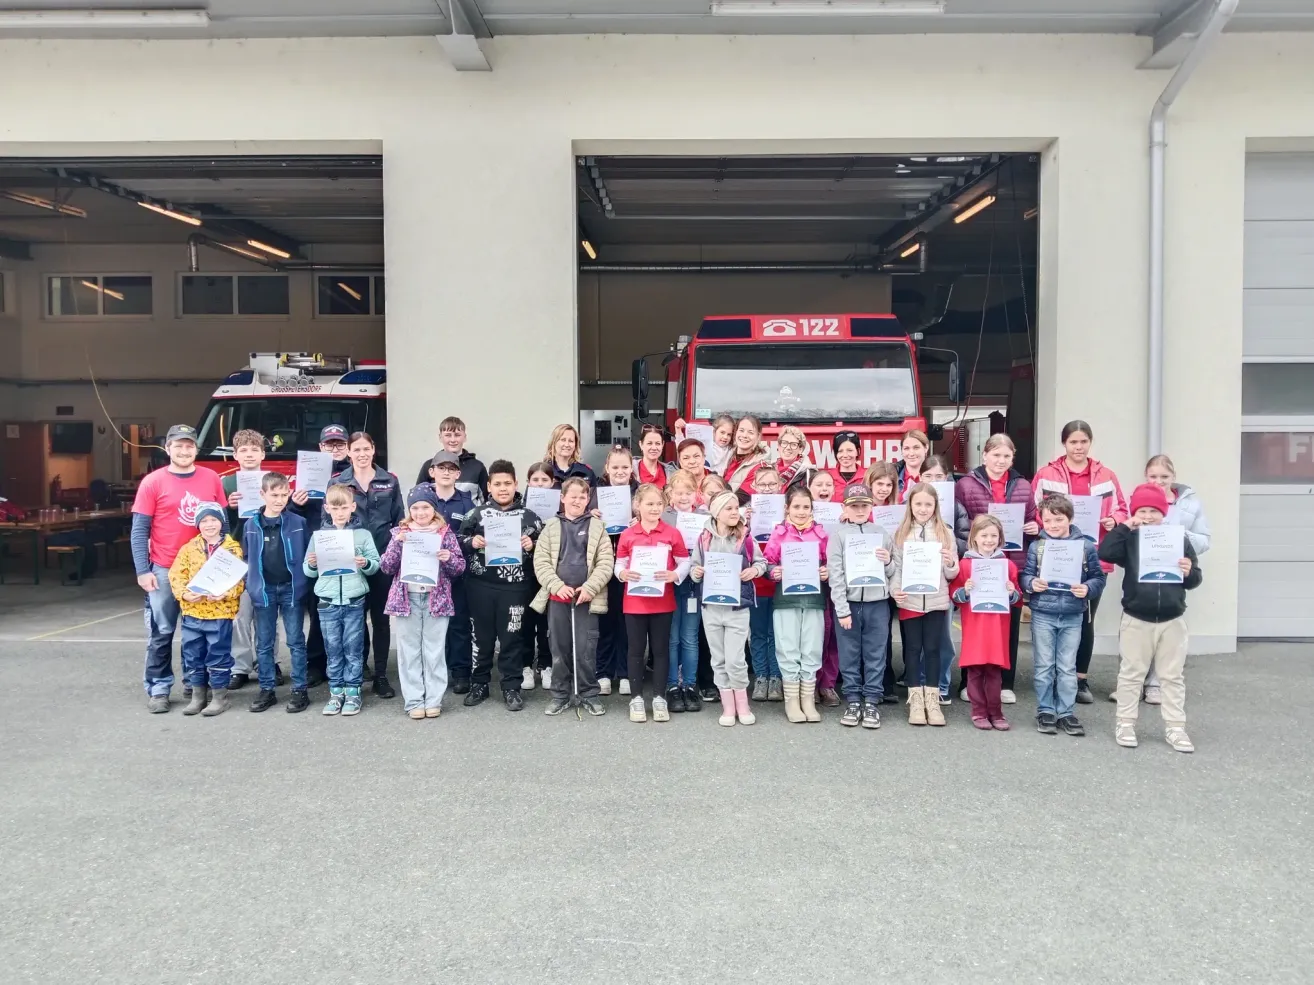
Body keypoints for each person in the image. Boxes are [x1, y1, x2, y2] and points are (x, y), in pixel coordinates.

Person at [1099, 483, 1202, 753]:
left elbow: (1194, 581)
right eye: (1142, 510)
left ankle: (1175, 728)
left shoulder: (1178, 539)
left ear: (1163, 513)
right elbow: (1105, 552)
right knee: (1131, 674)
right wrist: (1126, 526)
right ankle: (1125, 723)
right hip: (1136, 616)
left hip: (1172, 618)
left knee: (1172, 676)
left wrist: (1189, 571)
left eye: (1153, 511)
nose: (1147, 516)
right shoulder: (1131, 540)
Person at [132, 423, 227, 713]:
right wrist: (142, 570)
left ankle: (193, 682)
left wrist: (222, 563)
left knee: (197, 630)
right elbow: (139, 530)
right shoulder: (153, 482)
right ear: (168, 448)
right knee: (162, 631)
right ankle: (159, 687)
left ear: (196, 449)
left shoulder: (211, 478)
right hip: (163, 566)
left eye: (189, 445)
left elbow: (224, 523)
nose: (184, 450)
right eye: (178, 445)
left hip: (203, 568)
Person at [1032, 420, 1129, 703]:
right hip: (1055, 554)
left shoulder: (1106, 475)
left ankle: (1080, 679)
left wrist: (1114, 520)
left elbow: (1123, 508)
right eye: (1073, 442)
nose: (1078, 447)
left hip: (1092, 555)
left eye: (1083, 442)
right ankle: (1050, 677)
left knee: (1085, 618)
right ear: (1064, 444)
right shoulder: (1046, 474)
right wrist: (1050, 524)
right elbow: (1035, 511)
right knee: (1052, 615)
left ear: (1090, 443)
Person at [457, 460, 545, 712]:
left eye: (508, 483)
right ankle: (480, 683)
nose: (503, 488)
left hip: (516, 587)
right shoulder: (476, 514)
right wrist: (471, 542)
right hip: (480, 586)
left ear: (516, 484)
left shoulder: (530, 517)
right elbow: (457, 540)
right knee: (482, 639)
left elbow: (547, 546)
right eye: (497, 484)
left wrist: (533, 545)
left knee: (512, 638)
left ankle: (511, 687)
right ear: (489, 486)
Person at [954, 435, 1035, 705]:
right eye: (996, 455)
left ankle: (1005, 683)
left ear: (1013, 458)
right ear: (985, 455)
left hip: (1012, 562)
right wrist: (972, 545)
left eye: (1006, 457)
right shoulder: (966, 484)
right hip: (977, 562)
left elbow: (1033, 517)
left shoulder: (1023, 485)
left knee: (1008, 624)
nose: (1001, 461)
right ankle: (969, 681)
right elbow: (959, 521)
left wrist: (1035, 526)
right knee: (975, 624)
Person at [1021, 494, 1106, 736]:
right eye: (1048, 521)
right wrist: (1031, 583)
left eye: (1058, 519)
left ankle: (1066, 712)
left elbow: (1098, 578)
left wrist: (1088, 589)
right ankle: (1046, 710)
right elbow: (1025, 575)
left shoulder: (1086, 547)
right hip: (1043, 613)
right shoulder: (1037, 547)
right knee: (1044, 665)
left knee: (1067, 667)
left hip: (1072, 614)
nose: (1053, 525)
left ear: (1069, 518)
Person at [327, 431, 404, 698]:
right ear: (349, 452)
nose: (361, 454)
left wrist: (396, 558)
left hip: (381, 561)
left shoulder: (389, 481)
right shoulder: (338, 481)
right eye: (356, 449)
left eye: (366, 449)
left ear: (373, 450)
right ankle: (359, 672)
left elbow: (399, 522)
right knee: (355, 620)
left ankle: (381, 675)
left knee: (381, 621)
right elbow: (328, 522)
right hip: (351, 562)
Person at [379, 486, 466, 720]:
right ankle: (414, 700)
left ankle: (434, 699)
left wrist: (448, 558)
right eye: (415, 507)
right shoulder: (400, 532)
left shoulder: (445, 533)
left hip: (436, 600)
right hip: (406, 600)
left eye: (425, 507)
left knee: (434, 651)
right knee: (409, 652)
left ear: (433, 508)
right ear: (409, 510)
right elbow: (386, 566)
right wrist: (398, 543)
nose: (420, 512)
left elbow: (459, 567)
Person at [532, 477, 615, 717]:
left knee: (586, 648)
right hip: (558, 599)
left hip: (586, 600)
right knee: (559, 648)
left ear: (588, 499)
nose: (577, 500)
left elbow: (605, 562)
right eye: (573, 496)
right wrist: (556, 585)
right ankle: (560, 694)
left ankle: (589, 693)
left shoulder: (598, 527)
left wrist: (590, 587)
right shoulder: (550, 527)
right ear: (563, 497)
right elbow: (541, 562)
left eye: (582, 496)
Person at [690, 489, 767, 726]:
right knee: (718, 658)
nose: (735, 512)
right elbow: (694, 566)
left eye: (736, 508)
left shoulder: (745, 537)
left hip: (737, 608)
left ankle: (742, 704)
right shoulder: (703, 538)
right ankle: (728, 706)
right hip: (711, 608)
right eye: (729, 509)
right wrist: (696, 572)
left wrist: (753, 571)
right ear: (716, 513)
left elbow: (761, 562)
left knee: (735, 659)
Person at [1139, 454, 1211, 705]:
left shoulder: (1189, 503)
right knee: (1136, 630)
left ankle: (1156, 683)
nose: (1159, 481)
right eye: (1153, 476)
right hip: (1143, 576)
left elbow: (1204, 540)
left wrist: (1176, 536)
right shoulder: (1139, 499)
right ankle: (1133, 682)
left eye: (1164, 477)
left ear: (1174, 477)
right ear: (1146, 477)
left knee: (1166, 632)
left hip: (1173, 576)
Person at [303, 484, 380, 717]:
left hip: (354, 599)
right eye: (334, 508)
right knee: (333, 648)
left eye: (344, 507)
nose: (339, 512)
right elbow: (308, 570)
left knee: (353, 647)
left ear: (353, 507)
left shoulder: (363, 535)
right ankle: (336, 691)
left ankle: (354, 691)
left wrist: (364, 563)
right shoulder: (320, 537)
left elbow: (376, 564)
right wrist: (313, 564)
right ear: (326, 508)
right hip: (327, 601)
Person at [615, 482, 689, 724]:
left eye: (659, 504)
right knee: (635, 651)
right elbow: (620, 564)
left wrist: (675, 575)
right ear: (637, 506)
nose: (655, 508)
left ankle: (659, 697)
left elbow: (684, 561)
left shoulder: (671, 533)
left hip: (663, 602)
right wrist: (622, 574)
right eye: (649, 504)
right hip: (634, 603)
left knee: (660, 651)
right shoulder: (627, 535)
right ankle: (636, 698)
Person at [889, 483, 960, 727]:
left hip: (936, 602)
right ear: (910, 505)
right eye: (918, 503)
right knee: (912, 650)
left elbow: (952, 574)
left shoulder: (945, 533)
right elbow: (896, 568)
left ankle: (932, 698)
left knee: (932, 649)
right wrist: (894, 590)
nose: (923, 508)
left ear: (935, 506)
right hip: (909, 600)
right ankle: (915, 699)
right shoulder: (900, 533)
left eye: (928, 504)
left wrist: (951, 564)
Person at [827, 482, 895, 729]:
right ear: (845, 508)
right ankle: (854, 699)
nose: (859, 510)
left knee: (876, 653)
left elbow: (894, 570)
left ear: (871, 506)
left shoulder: (882, 533)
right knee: (849, 654)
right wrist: (842, 609)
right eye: (854, 506)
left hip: (878, 603)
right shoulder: (838, 536)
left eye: (864, 505)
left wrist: (887, 562)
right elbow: (835, 575)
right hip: (850, 605)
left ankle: (872, 701)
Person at [242, 473, 311, 714]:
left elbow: (307, 553)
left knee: (295, 640)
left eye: (284, 495)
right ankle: (267, 688)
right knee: (264, 642)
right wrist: (251, 584)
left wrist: (304, 579)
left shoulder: (297, 522)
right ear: (262, 494)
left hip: (291, 589)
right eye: (274, 495)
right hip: (264, 590)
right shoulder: (251, 525)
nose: (280, 499)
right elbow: (248, 557)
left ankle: (300, 689)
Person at [167, 502, 244, 717]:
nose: (209, 524)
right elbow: (176, 575)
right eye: (204, 520)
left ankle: (220, 697)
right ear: (197, 524)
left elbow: (238, 581)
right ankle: (198, 696)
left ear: (221, 522)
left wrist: (225, 594)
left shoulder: (232, 549)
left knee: (218, 654)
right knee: (193, 654)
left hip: (220, 612)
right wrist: (184, 593)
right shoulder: (188, 548)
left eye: (214, 519)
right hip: (193, 612)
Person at [763, 486, 830, 724]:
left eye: (806, 507)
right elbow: (767, 564)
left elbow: (830, 563)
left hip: (813, 599)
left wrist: (826, 572)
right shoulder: (779, 534)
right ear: (787, 509)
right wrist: (774, 572)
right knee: (788, 646)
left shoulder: (821, 535)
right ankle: (792, 700)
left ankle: (808, 699)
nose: (801, 512)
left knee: (811, 647)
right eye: (796, 507)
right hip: (786, 599)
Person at [293, 424, 353, 687]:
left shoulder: (353, 475)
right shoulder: (307, 475)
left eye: (340, 444)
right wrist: (296, 502)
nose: (335, 448)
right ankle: (316, 664)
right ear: (320, 447)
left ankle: (355, 664)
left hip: (347, 546)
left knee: (352, 612)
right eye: (330, 444)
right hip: (318, 549)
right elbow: (292, 516)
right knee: (319, 610)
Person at [949, 515, 1022, 730]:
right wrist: (965, 590)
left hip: (997, 627)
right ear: (974, 538)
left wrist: (1011, 592)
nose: (989, 540)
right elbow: (954, 594)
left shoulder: (1007, 566)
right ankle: (978, 711)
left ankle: (996, 712)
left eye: (993, 535)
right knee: (975, 670)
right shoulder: (965, 565)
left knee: (994, 671)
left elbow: (1017, 597)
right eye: (984, 535)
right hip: (975, 626)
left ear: (1000, 538)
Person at [422, 450, 478, 695]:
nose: (445, 472)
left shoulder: (467, 502)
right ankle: (433, 670)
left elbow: (475, 533)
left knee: (458, 623)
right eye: (440, 468)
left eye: (451, 468)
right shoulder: (423, 499)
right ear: (431, 472)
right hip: (426, 573)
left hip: (457, 573)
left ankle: (461, 672)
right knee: (431, 623)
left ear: (458, 473)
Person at [220, 428, 271, 691]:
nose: (249, 454)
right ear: (235, 455)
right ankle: (240, 665)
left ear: (262, 453)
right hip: (237, 557)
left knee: (268, 613)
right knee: (240, 615)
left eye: (254, 449)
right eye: (243, 450)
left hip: (267, 555)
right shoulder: (226, 483)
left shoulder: (274, 480)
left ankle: (268, 661)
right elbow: (215, 524)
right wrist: (227, 507)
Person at [662, 468, 707, 712]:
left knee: (689, 637)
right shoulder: (663, 518)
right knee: (672, 637)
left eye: (688, 492)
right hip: (670, 584)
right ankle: (672, 685)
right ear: (670, 494)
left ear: (696, 493)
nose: (683, 497)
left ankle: (689, 685)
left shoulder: (705, 517)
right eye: (678, 492)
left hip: (693, 585)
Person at [593, 445, 637, 697]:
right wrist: (592, 515)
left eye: (624, 467)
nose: (620, 471)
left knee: (627, 622)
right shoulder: (595, 495)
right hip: (603, 565)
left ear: (631, 470)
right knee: (605, 620)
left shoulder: (639, 494)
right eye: (615, 467)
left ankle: (626, 672)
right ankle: (603, 673)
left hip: (631, 567)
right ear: (607, 469)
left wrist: (638, 520)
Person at [743, 465, 784, 703]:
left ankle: (776, 677)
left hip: (779, 582)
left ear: (779, 487)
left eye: (772, 484)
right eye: (763, 485)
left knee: (775, 633)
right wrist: (745, 522)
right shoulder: (745, 514)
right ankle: (760, 676)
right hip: (756, 583)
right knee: (758, 633)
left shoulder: (788, 513)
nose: (767, 489)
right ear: (754, 487)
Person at [804, 467, 842, 708]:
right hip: (808, 581)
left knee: (833, 636)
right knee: (813, 634)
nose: (824, 489)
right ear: (810, 489)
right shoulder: (801, 514)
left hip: (835, 579)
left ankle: (827, 684)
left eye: (828, 485)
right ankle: (810, 682)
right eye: (819, 485)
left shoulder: (842, 514)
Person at [520, 461, 557, 690]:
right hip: (524, 573)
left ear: (553, 482)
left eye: (545, 480)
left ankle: (546, 665)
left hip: (551, 573)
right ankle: (525, 666)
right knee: (525, 620)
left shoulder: (560, 510)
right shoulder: (518, 510)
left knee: (546, 622)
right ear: (528, 482)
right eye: (536, 480)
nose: (540, 484)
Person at [411, 415, 489, 506]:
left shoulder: (477, 467)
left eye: (457, 435)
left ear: (465, 437)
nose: (453, 440)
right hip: (437, 519)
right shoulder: (430, 465)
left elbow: (487, 502)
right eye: (448, 435)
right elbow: (417, 499)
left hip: (469, 519)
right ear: (440, 437)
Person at [724, 415, 770, 493]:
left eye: (750, 432)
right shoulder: (726, 456)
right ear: (736, 432)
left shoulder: (760, 467)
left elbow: (742, 498)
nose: (744, 435)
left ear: (758, 436)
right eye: (741, 430)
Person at [895, 429, 931, 501]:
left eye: (916, 448)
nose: (911, 453)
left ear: (926, 448)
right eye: (906, 448)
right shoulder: (890, 475)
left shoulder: (940, 475)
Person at [634, 423, 671, 489]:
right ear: (641, 444)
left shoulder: (670, 471)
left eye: (657, 443)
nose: (654, 448)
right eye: (649, 443)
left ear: (662, 445)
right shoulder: (630, 470)